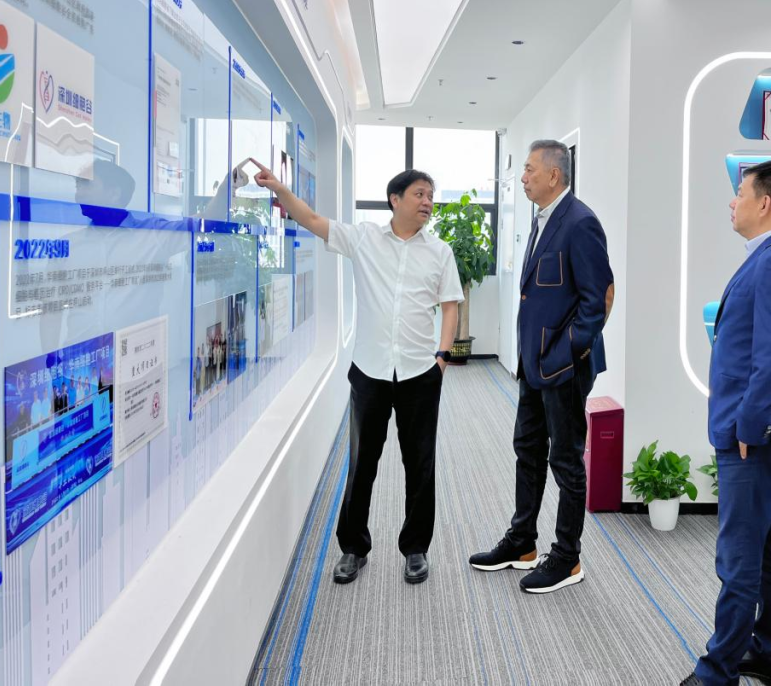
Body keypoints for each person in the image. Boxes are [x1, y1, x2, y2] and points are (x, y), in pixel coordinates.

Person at [252, 159, 462, 586]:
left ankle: (416, 549)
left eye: (431, 196)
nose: (427, 202)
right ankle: (353, 548)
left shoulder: (440, 252)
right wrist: (279, 189)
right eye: (419, 194)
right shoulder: (364, 238)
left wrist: (441, 357)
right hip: (370, 371)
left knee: (420, 464)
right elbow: (312, 220)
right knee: (362, 463)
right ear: (395, 199)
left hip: (420, 373)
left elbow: (450, 306)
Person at [681, 160, 771, 686]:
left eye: (739, 193)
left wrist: (749, 426)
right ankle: (770, 655)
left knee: (738, 558)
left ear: (764, 203)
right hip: (756, 430)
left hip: (753, 435)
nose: (732, 203)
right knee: (766, 551)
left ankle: (717, 671)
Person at [469, 140, 614, 594]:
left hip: (562, 365)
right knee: (527, 448)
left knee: (565, 459)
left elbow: (600, 299)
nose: (523, 177)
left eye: (530, 169)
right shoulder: (542, 219)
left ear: (554, 175)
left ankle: (567, 557)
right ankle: (522, 542)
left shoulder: (580, 222)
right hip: (534, 363)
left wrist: (566, 353)